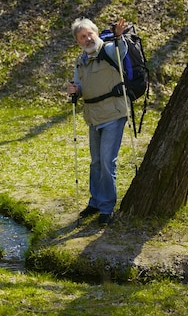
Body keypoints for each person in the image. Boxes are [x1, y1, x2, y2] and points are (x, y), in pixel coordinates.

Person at [67, 17, 128, 225]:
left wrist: (119, 36)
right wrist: (75, 90)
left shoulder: (109, 50)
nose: (87, 39)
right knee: (96, 162)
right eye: (82, 37)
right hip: (93, 117)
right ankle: (95, 202)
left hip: (113, 114)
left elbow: (121, 52)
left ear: (96, 33)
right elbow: (80, 86)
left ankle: (106, 209)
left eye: (89, 34)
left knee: (106, 162)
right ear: (78, 42)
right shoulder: (81, 61)